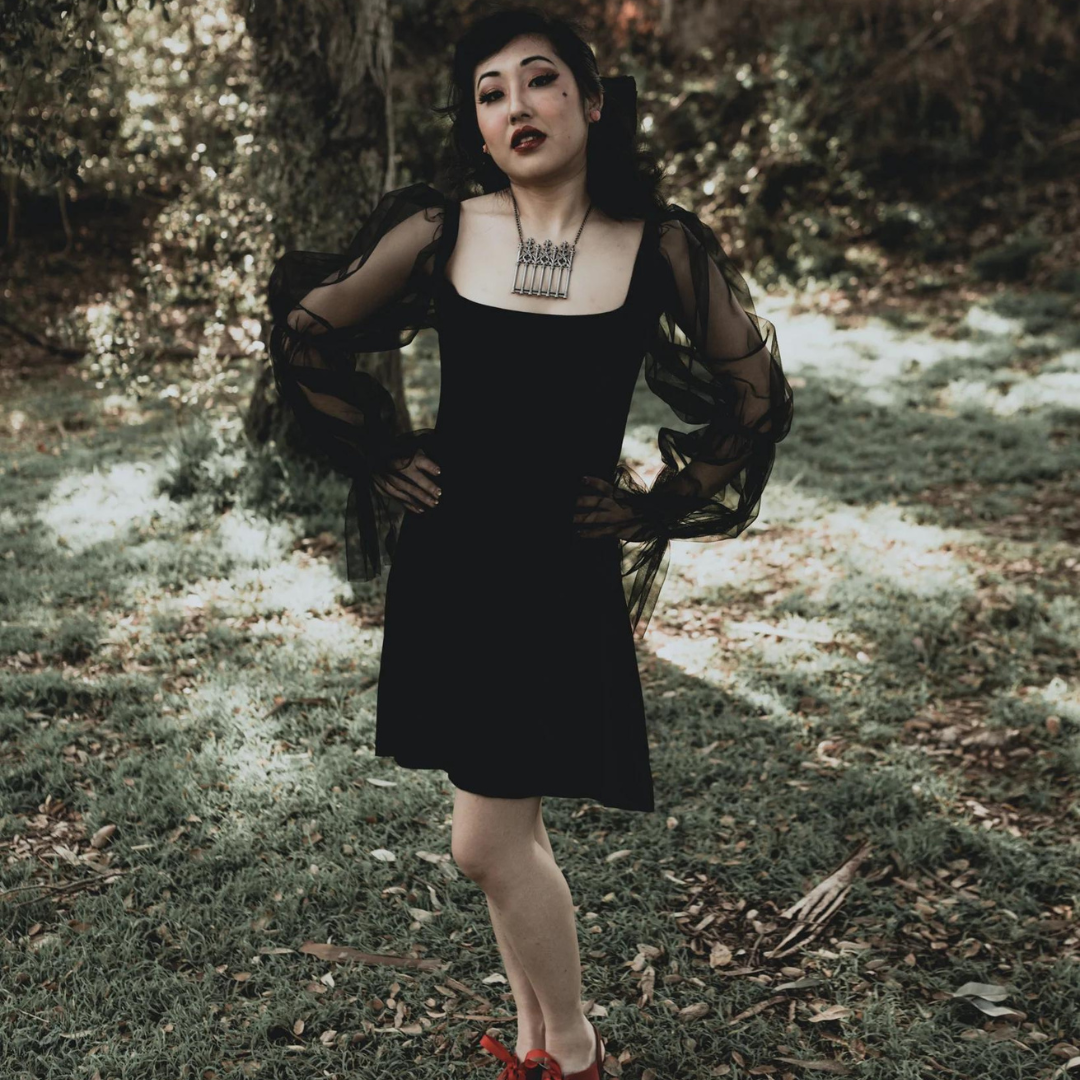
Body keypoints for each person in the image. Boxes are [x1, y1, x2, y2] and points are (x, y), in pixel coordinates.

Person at [266, 6, 794, 1078]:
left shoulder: (661, 245)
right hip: (454, 562)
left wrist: (659, 502)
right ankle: (535, 1048)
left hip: (558, 567)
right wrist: (381, 451)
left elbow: (754, 395)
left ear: (592, 102)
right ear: (477, 122)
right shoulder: (443, 228)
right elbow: (307, 328)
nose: (517, 106)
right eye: (491, 92)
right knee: (507, 828)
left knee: (485, 841)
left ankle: (578, 1050)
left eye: (540, 80)